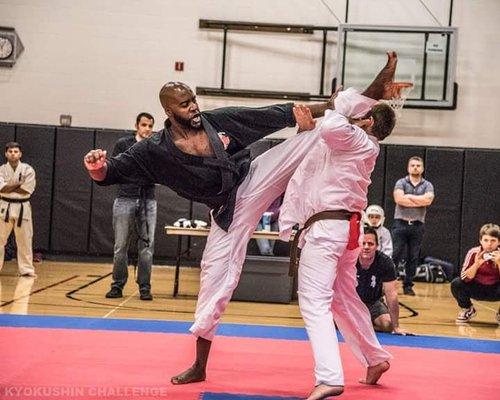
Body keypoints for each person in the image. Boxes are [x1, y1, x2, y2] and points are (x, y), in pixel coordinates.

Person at [83, 51, 399, 386]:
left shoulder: (217, 121)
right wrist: (96, 166)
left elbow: (271, 115)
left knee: (311, 137)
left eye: (192, 100)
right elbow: (113, 172)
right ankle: (200, 364)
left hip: (254, 177)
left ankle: (359, 98)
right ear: (168, 111)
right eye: (184, 104)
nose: (192, 107)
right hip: (227, 212)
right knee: (214, 280)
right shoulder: (154, 150)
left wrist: (329, 107)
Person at [279, 80, 400, 398]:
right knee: (343, 298)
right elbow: (313, 163)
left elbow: (334, 122)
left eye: (363, 109)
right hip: (342, 231)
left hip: (330, 231)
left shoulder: (356, 138)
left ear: (368, 121)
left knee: (313, 301)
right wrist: (306, 132)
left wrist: (345, 100)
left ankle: (330, 377)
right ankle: (374, 357)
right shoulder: (351, 143)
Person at [105, 112, 157, 301]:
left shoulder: (155, 146)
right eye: (144, 125)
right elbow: (115, 168)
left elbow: (158, 172)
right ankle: (117, 285)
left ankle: (144, 286)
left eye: (150, 126)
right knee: (120, 246)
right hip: (125, 198)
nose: (147, 129)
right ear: (137, 126)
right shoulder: (123, 144)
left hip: (148, 200)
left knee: (147, 246)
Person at [392, 156, 434, 296]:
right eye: (413, 165)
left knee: (413, 256)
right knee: (395, 254)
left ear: (422, 168)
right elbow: (399, 199)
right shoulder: (401, 182)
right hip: (400, 223)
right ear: (408, 168)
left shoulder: (427, 185)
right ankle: (388, 283)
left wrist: (409, 197)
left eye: (418, 165)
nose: (415, 168)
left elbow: (428, 201)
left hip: (417, 225)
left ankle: (408, 285)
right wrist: (418, 200)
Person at [356, 227, 409, 335]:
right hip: (352, 302)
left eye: (370, 244)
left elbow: (392, 296)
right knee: (331, 321)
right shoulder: (349, 259)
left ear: (377, 246)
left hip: (373, 303)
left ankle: (364, 325)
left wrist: (396, 326)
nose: (366, 247)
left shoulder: (385, 262)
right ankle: (360, 324)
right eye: (363, 243)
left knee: (387, 325)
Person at [451, 223, 500, 324]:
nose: (489, 244)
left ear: (498, 242)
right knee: (456, 283)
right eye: (486, 240)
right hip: (476, 288)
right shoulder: (473, 252)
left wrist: (499, 263)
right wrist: (476, 264)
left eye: (493, 240)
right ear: (480, 241)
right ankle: (468, 309)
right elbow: (464, 278)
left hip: (495, 290)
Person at [0, 142, 36, 277]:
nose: (13, 153)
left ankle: (26, 269)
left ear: (20, 154)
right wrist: (18, 184)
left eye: (15, 151)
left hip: (22, 207)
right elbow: (1, 189)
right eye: (10, 151)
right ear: (6, 154)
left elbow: (27, 190)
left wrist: (9, 186)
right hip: (5, 206)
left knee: (25, 240)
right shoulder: (1, 170)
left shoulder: (28, 170)